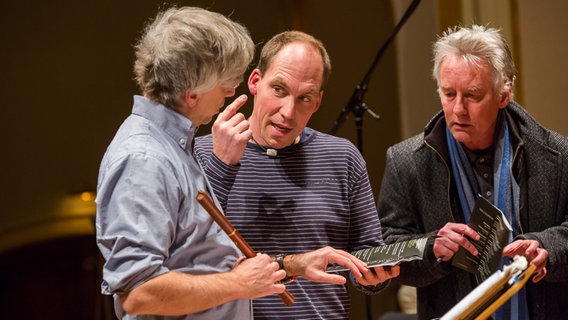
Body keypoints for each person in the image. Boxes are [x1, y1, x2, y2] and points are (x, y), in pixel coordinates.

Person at [95, 7, 368, 320]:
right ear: (192, 91)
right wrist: (239, 283)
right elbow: (139, 293)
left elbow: (199, 262)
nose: (229, 90)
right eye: (224, 80)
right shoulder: (144, 158)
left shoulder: (173, 148)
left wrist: (290, 265)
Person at [194, 30, 400, 320]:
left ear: (317, 102)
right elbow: (192, 260)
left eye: (304, 98)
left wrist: (375, 277)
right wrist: (222, 166)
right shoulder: (203, 153)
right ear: (255, 82)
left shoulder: (343, 158)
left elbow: (366, 255)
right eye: (279, 90)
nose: (288, 112)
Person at [376, 24, 568, 320]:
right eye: (448, 93)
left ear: (504, 95)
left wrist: (547, 247)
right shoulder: (406, 162)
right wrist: (432, 248)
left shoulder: (557, 153)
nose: (458, 109)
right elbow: (387, 246)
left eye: (472, 95)